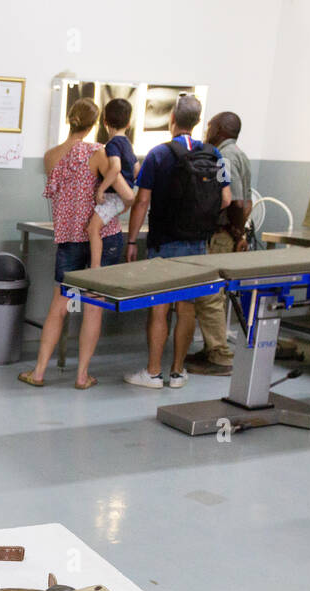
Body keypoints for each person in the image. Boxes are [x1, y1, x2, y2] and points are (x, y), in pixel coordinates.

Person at [123, 94, 230, 389]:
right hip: (198, 246)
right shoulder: (215, 155)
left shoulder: (157, 154)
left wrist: (132, 241)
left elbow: (142, 201)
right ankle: (178, 372)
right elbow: (226, 198)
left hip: (164, 242)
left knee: (160, 307)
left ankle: (154, 373)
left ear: (172, 119)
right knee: (187, 307)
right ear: (197, 123)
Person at [19, 98, 126, 390]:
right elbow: (124, 194)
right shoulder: (98, 153)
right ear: (96, 124)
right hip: (100, 239)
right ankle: (82, 376)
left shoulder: (50, 156)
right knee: (94, 307)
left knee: (59, 306)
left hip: (68, 238)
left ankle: (39, 372)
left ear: (69, 120)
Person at [186, 110, 252, 375]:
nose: (207, 131)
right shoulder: (240, 154)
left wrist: (235, 232)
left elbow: (234, 201)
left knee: (209, 295)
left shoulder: (223, 156)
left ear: (221, 129)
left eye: (210, 126)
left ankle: (220, 355)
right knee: (216, 295)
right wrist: (242, 233)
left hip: (222, 233)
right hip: (233, 232)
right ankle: (212, 348)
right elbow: (246, 201)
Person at [86, 98, 138, 270]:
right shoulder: (127, 144)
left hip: (113, 195)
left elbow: (115, 167)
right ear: (129, 123)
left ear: (105, 121)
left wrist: (101, 189)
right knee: (95, 227)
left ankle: (95, 267)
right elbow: (137, 168)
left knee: (93, 229)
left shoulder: (113, 144)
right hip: (121, 198)